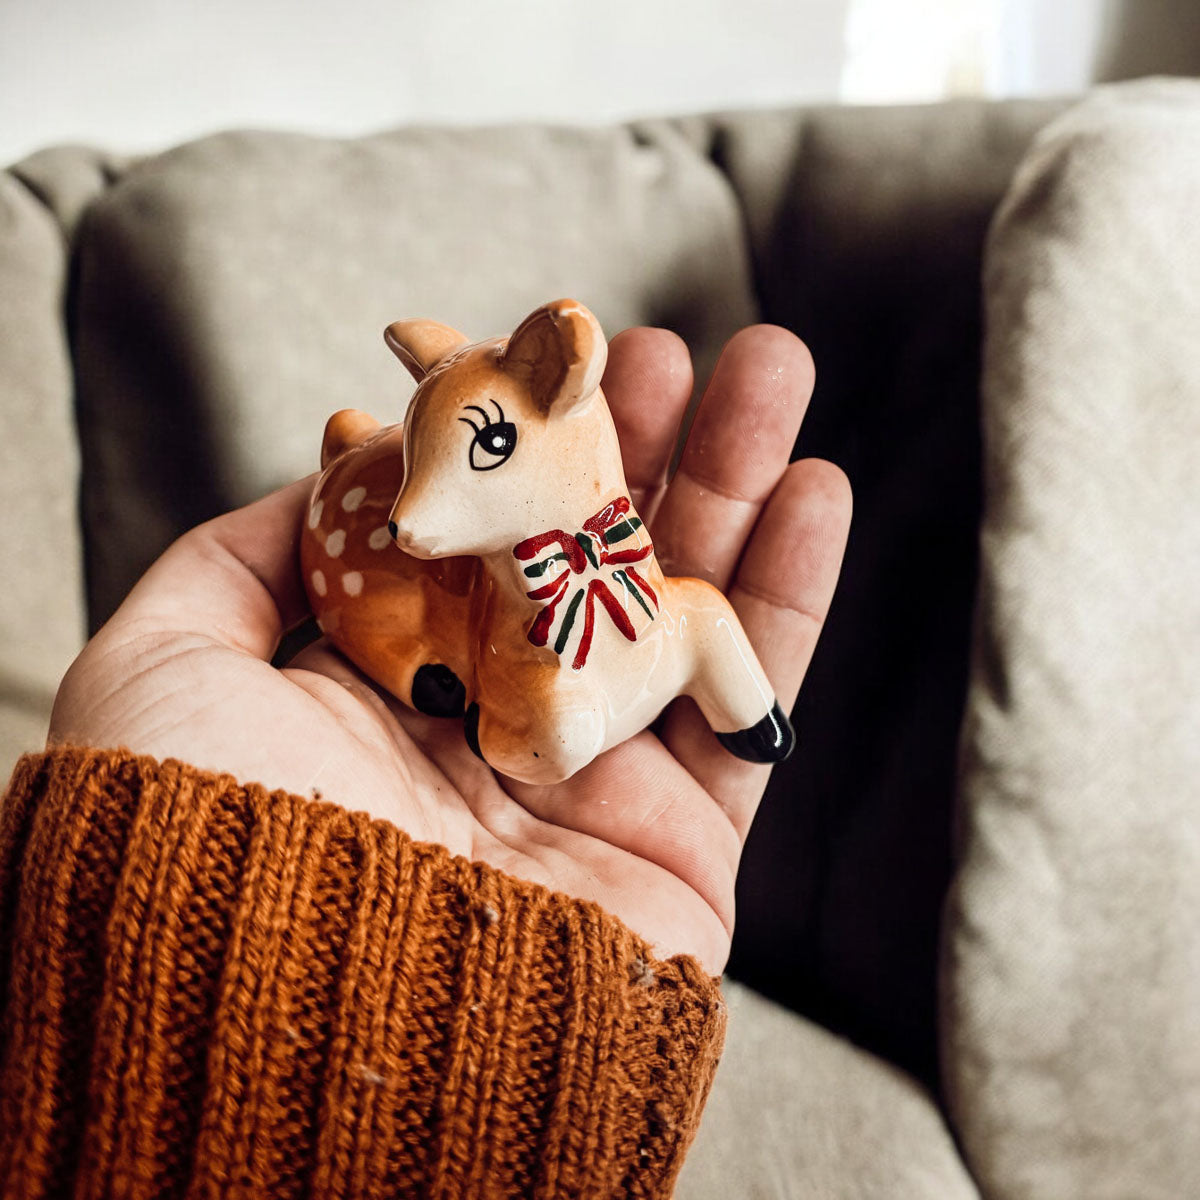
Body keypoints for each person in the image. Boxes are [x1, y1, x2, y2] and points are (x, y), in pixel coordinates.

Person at [0, 324, 851, 1197]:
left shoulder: (612, 538)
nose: (412, 513)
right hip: (441, 643)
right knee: (553, 720)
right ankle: (429, 667)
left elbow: (697, 613)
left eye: (481, 450)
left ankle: (745, 715)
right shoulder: (450, 571)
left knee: (700, 617)